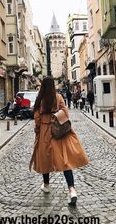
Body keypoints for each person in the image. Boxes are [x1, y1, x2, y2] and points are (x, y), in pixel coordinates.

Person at [29, 76, 89, 206]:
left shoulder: (40, 100)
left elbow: (37, 119)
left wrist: (38, 130)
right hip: (58, 133)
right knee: (65, 161)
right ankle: (72, 190)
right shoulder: (58, 97)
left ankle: (46, 184)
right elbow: (65, 112)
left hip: (45, 132)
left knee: (45, 159)